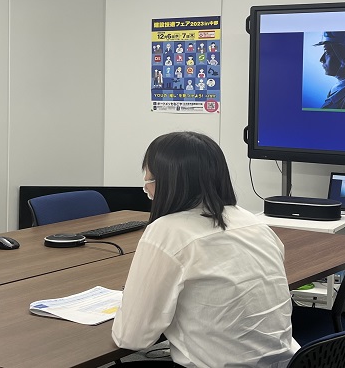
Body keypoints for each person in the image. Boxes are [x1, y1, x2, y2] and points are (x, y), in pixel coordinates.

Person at [112, 132, 297, 368]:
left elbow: (131, 337)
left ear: (168, 182)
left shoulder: (167, 231)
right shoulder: (253, 222)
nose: (146, 188)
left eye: (148, 178)